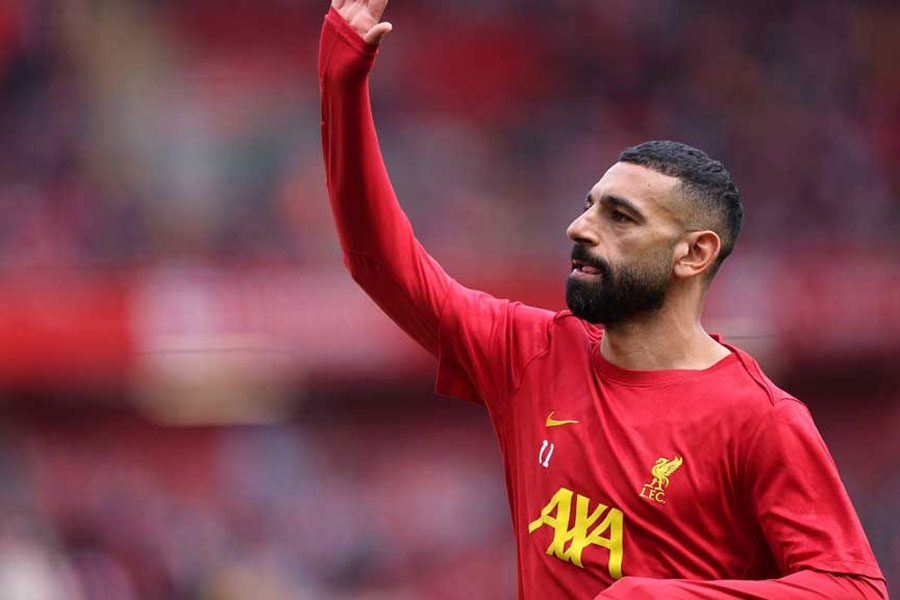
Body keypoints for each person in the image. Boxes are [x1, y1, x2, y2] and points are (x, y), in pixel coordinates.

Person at [318, 1, 888, 598]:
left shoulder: (760, 420)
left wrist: (656, 595)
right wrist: (342, 74)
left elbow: (854, 588)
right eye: (590, 204)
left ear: (693, 254)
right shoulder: (531, 354)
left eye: (619, 217)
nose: (580, 227)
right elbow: (377, 261)